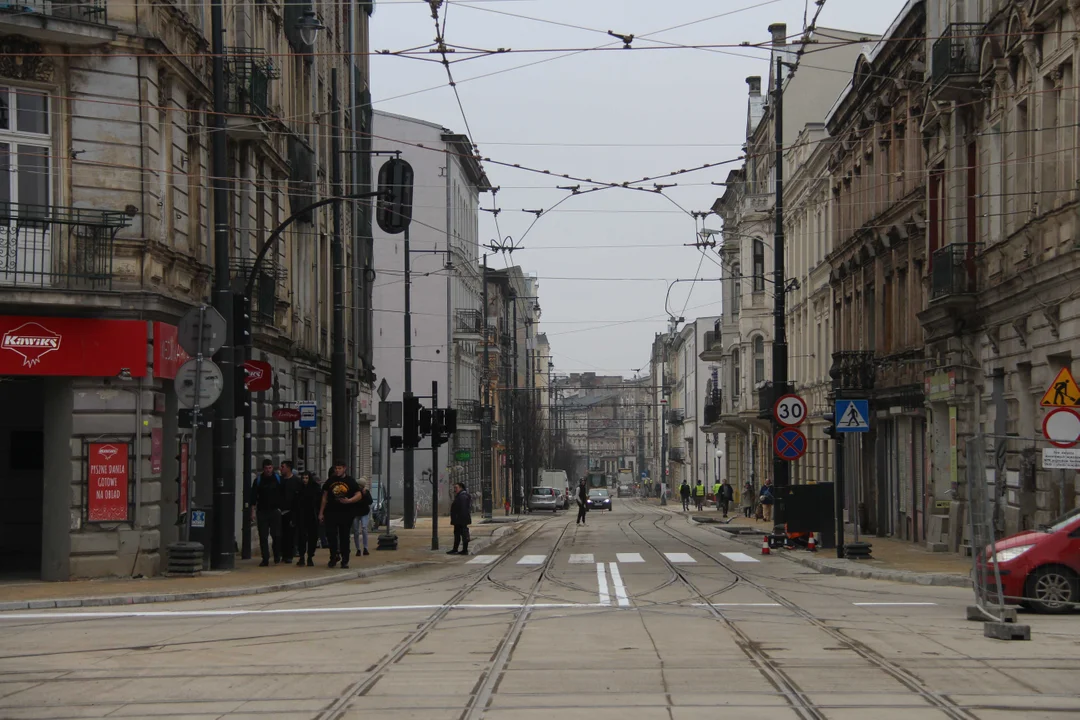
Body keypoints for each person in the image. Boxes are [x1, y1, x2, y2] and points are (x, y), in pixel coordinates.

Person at [319, 459, 363, 569]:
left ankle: (345, 559)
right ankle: (333, 556)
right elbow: (324, 497)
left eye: (339, 468)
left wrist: (349, 501)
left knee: (344, 537)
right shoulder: (330, 481)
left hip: (345, 513)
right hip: (331, 512)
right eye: (336, 468)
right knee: (331, 536)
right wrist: (321, 513)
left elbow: (359, 495)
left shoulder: (350, 481)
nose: (337, 471)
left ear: (344, 468)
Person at [251, 459, 283, 566]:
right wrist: (253, 512)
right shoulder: (258, 480)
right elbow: (253, 498)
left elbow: (283, 494)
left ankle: (277, 555)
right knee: (263, 536)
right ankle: (265, 558)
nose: (268, 470)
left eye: (270, 468)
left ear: (272, 468)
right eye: (266, 468)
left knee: (276, 535)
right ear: (263, 469)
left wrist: (281, 508)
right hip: (262, 512)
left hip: (275, 511)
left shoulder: (278, 478)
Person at [294, 470, 322, 566]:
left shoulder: (315, 488)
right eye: (303, 478)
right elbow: (296, 503)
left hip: (312, 516)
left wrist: (320, 514)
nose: (305, 480)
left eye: (306, 478)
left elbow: (319, 502)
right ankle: (302, 556)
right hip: (301, 516)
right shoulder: (299, 488)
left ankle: (310, 556)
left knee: (312, 537)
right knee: (301, 537)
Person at [278, 460, 301, 563]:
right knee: (279, 534)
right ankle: (281, 554)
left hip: (291, 512)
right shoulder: (280, 480)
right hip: (279, 512)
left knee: (290, 535)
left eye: (282, 467)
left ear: (288, 468)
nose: (280, 469)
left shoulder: (296, 481)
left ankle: (289, 555)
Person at [352, 478, 373, 557]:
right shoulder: (354, 492)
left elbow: (370, 501)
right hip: (355, 513)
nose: (359, 487)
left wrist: (365, 495)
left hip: (364, 513)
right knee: (356, 531)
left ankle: (365, 548)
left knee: (364, 528)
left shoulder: (366, 492)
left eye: (360, 486)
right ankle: (358, 549)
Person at [448, 482, 472, 555]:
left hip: (461, 520)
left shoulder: (463, 496)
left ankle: (464, 550)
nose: (455, 489)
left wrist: (461, 520)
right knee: (457, 534)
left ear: (461, 488)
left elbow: (463, 509)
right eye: (454, 488)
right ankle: (456, 549)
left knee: (463, 534)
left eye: (456, 488)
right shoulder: (460, 496)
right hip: (459, 519)